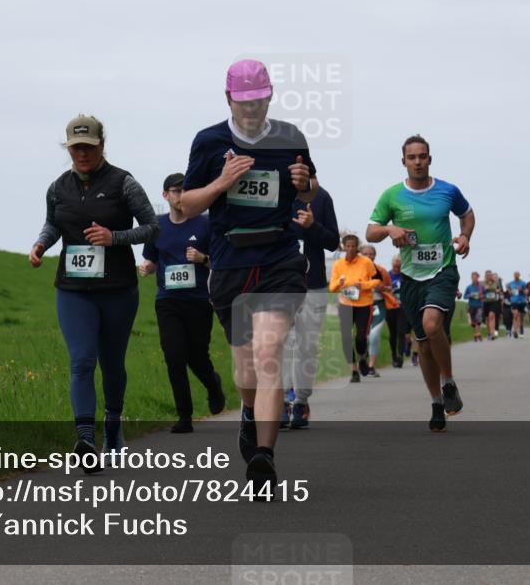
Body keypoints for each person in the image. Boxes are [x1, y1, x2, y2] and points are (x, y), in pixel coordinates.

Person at [179, 58, 318, 490]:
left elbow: (310, 186)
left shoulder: (290, 137)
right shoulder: (209, 142)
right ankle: (247, 411)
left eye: (259, 101)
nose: (252, 109)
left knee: (268, 353)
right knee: (245, 372)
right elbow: (185, 207)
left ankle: (264, 458)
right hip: (230, 266)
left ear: (270, 96)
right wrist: (221, 183)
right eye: (244, 102)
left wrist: (304, 183)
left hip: (279, 259)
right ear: (228, 99)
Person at [30, 114, 158, 473]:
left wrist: (114, 237)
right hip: (73, 289)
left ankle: (113, 422)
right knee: (81, 361)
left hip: (117, 289)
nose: (82, 154)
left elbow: (152, 228)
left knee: (112, 364)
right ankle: (86, 439)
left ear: (102, 145)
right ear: (68, 149)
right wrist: (41, 244)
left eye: (88, 147)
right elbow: (54, 222)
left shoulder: (124, 183)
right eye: (75, 148)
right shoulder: (58, 187)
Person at [367, 135, 475, 432]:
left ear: (430, 159)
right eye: (412, 157)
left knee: (431, 325)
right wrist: (390, 229)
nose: (418, 162)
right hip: (412, 276)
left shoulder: (447, 191)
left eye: (423, 156)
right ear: (404, 162)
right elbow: (370, 232)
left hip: (443, 269)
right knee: (423, 346)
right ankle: (437, 403)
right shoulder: (392, 196)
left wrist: (465, 236)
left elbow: (467, 215)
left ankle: (449, 382)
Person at [139, 173, 226, 434]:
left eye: (185, 191)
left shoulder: (205, 224)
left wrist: (202, 258)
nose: (180, 196)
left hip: (199, 300)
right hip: (168, 301)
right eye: (176, 191)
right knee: (174, 356)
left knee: (197, 356)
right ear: (165, 195)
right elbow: (153, 259)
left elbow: (220, 263)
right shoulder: (156, 226)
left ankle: (213, 385)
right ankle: (184, 415)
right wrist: (147, 267)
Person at [281, 186, 340, 429]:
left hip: (312, 285)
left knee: (306, 345)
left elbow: (333, 242)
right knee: (282, 344)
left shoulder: (322, 197)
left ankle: (301, 402)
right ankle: (282, 400)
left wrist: (312, 227)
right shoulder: (273, 191)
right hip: (278, 284)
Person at [329, 235, 381, 382]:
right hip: (345, 304)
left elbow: (378, 280)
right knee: (345, 338)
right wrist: (340, 282)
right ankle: (353, 370)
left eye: (353, 246)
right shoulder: (338, 265)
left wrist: (363, 285)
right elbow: (332, 288)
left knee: (360, 337)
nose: (351, 248)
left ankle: (363, 357)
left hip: (364, 304)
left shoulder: (366, 262)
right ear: (344, 246)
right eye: (348, 246)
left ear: (357, 246)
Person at [361, 244, 398, 378]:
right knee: (363, 337)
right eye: (365, 254)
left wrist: (381, 288)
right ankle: (363, 361)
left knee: (374, 336)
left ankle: (371, 366)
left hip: (379, 306)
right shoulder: (355, 270)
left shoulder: (381, 271)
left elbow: (389, 288)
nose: (369, 256)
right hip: (362, 306)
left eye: (371, 254)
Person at [386, 256, 412, 366]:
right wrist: (388, 289)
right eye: (395, 266)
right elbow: (383, 288)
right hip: (390, 307)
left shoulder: (405, 276)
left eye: (399, 267)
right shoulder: (387, 275)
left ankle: (400, 356)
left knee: (401, 332)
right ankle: (393, 355)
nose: (396, 268)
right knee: (393, 333)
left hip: (403, 307)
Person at [463, 271, 484, 342]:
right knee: (473, 322)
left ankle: (478, 333)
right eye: (473, 277)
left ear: (478, 278)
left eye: (476, 277)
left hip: (479, 305)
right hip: (471, 305)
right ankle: (476, 334)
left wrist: (482, 296)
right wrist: (470, 295)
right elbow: (465, 296)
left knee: (478, 320)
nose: (474, 279)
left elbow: (485, 295)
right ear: (471, 278)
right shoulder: (469, 287)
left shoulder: (481, 287)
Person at [481, 270, 502, 339]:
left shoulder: (496, 282)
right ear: (485, 276)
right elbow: (480, 291)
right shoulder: (482, 283)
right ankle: (489, 332)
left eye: (490, 275)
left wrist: (497, 291)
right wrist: (484, 289)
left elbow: (499, 290)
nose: (488, 276)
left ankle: (492, 333)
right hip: (485, 302)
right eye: (487, 275)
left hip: (493, 301)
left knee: (492, 316)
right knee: (487, 318)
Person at [507, 271, 527, 338]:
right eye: (515, 275)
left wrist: (521, 290)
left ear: (519, 275)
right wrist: (510, 292)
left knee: (521, 317)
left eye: (517, 275)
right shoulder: (511, 283)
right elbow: (509, 292)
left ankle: (521, 329)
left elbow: (526, 292)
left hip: (522, 301)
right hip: (514, 301)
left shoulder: (523, 283)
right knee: (515, 315)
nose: (516, 276)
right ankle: (515, 331)